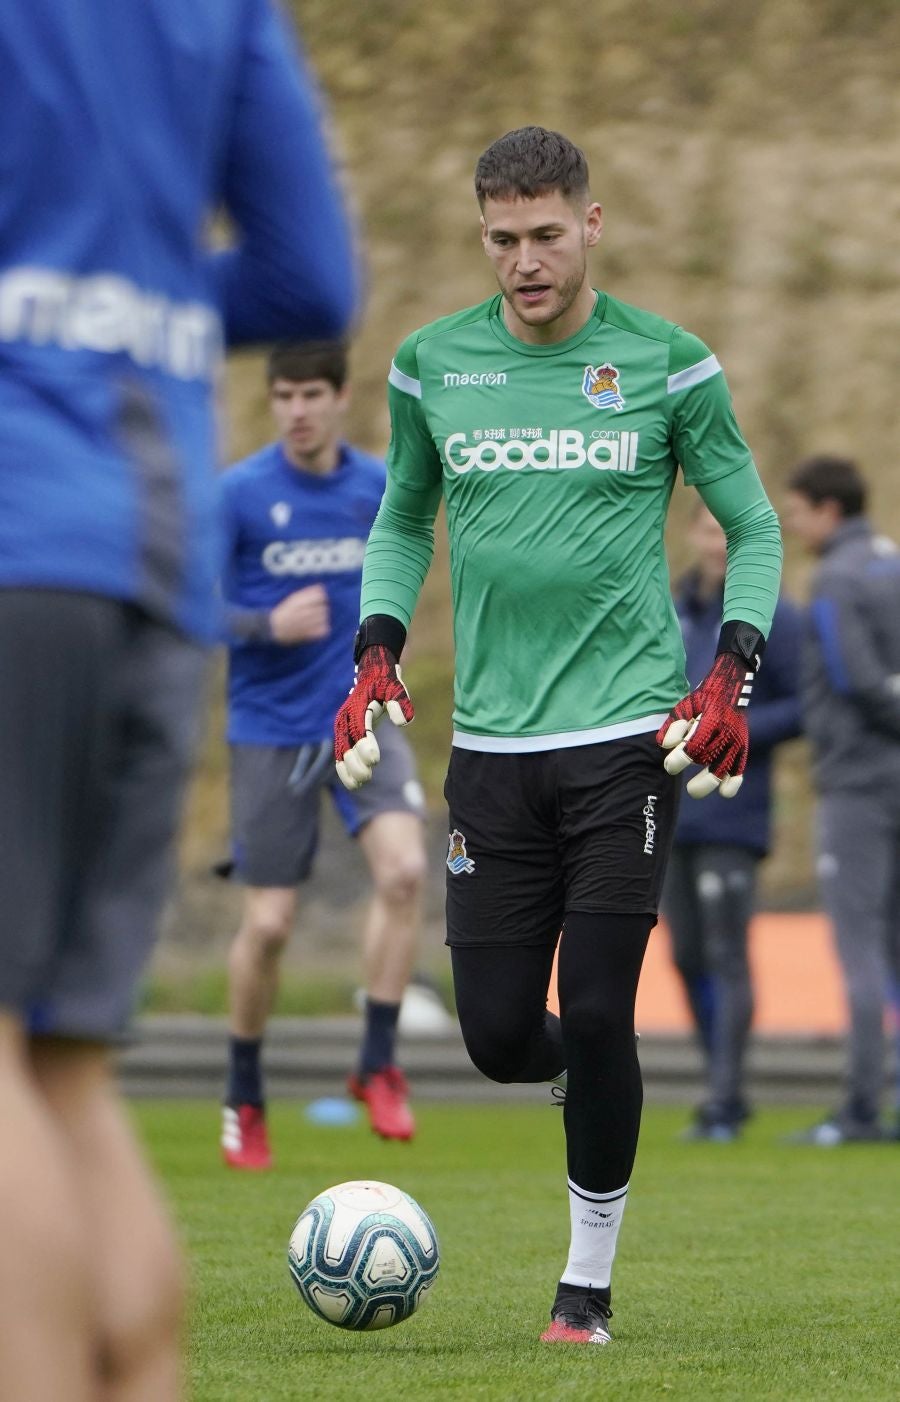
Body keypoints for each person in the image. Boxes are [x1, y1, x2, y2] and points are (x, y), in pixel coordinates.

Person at [333, 126, 783, 1344]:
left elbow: (754, 525)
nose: (524, 261)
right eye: (501, 241)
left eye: (544, 235)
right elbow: (401, 518)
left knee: (595, 1005)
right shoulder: (432, 366)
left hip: (627, 741)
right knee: (493, 1037)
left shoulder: (670, 365)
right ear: (482, 237)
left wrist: (733, 661)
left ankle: (584, 1285)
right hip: (490, 750)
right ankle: (595, 1084)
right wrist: (376, 640)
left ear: (592, 223)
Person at [0, 3, 356, 1397]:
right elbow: (309, 268)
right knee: (66, 1073)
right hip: (154, 561)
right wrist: (123, 295)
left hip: (17, 530)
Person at [219, 340, 427, 1167]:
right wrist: (265, 625)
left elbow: (408, 559)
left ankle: (377, 1063)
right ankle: (243, 1090)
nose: (298, 410)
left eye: (313, 394)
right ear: (271, 404)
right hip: (268, 729)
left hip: (362, 714)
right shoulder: (238, 495)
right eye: (284, 397)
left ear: (342, 399)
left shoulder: (375, 486)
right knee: (268, 924)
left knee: (407, 873)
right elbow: (191, 603)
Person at [662, 504, 803, 1141]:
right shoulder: (670, 607)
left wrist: (734, 730)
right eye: (708, 527)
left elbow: (805, 703)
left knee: (727, 954)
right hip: (670, 810)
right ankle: (720, 1082)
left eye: (729, 528)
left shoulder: (776, 616)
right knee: (687, 954)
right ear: (693, 533)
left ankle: (724, 1097)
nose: (718, 540)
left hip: (734, 810)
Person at [784, 454, 900, 1144]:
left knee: (860, 948)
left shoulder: (833, 577)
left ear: (828, 509)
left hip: (856, 784)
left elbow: (855, 680)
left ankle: (860, 1109)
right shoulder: (892, 562)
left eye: (798, 512)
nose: (795, 526)